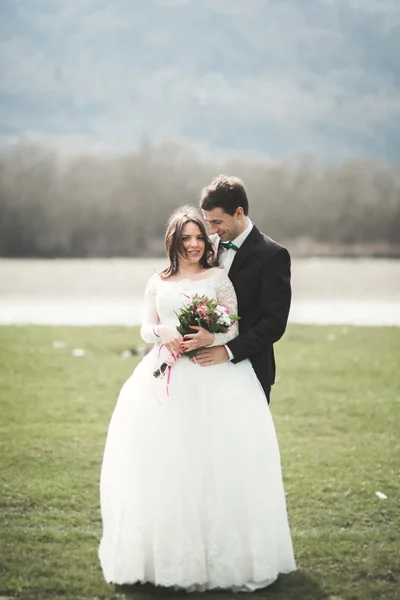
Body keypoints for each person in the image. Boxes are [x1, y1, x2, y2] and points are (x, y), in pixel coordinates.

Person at [98, 206, 296, 592]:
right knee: (169, 463)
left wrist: (211, 339)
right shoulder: (157, 280)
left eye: (199, 237)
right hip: (168, 375)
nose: (193, 244)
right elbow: (145, 326)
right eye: (186, 238)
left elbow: (233, 325)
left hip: (215, 375)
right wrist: (162, 332)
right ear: (173, 240)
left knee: (216, 461)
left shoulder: (219, 277)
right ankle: (168, 557)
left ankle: (223, 557)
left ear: (207, 241)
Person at [194, 175, 292, 404]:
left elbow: (274, 323)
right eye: (208, 222)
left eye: (217, 222)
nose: (212, 230)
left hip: (251, 368)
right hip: (203, 370)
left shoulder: (273, 255)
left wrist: (227, 351)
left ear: (238, 212)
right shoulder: (206, 248)